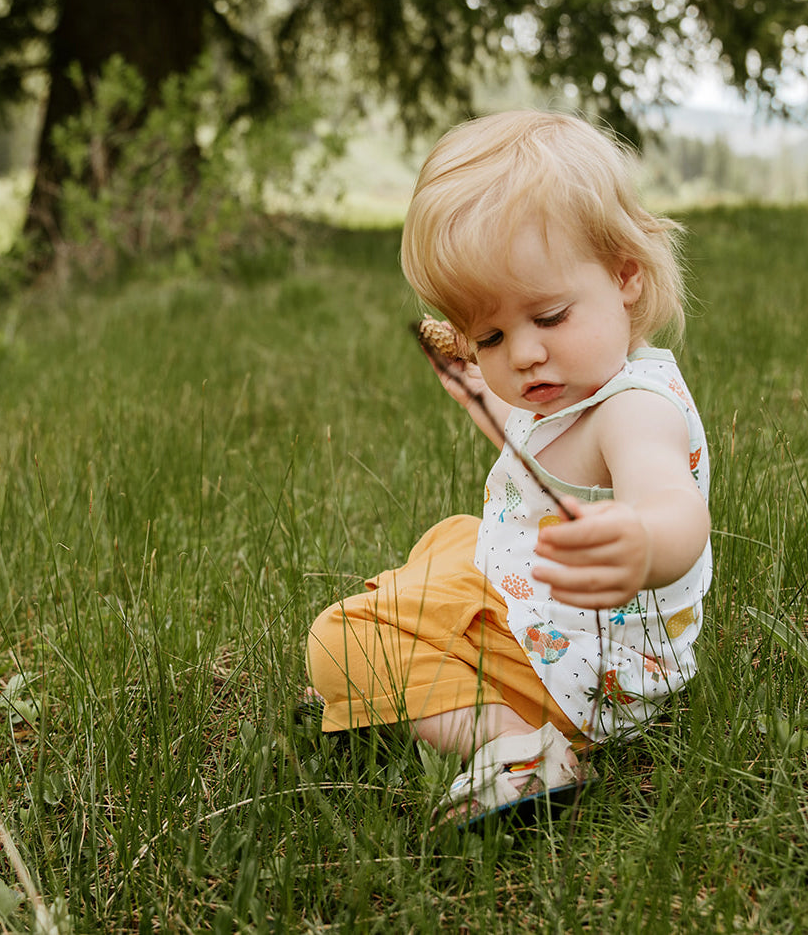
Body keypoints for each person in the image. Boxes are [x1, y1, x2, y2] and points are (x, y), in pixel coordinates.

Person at [305, 110, 712, 827]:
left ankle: (516, 747)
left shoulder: (632, 412)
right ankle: (434, 671)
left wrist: (644, 544)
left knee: (338, 641)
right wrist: (474, 382)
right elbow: (533, 453)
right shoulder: (574, 380)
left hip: (581, 674)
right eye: (490, 334)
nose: (521, 354)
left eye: (548, 316)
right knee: (453, 535)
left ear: (624, 275)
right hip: (559, 620)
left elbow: (674, 507)